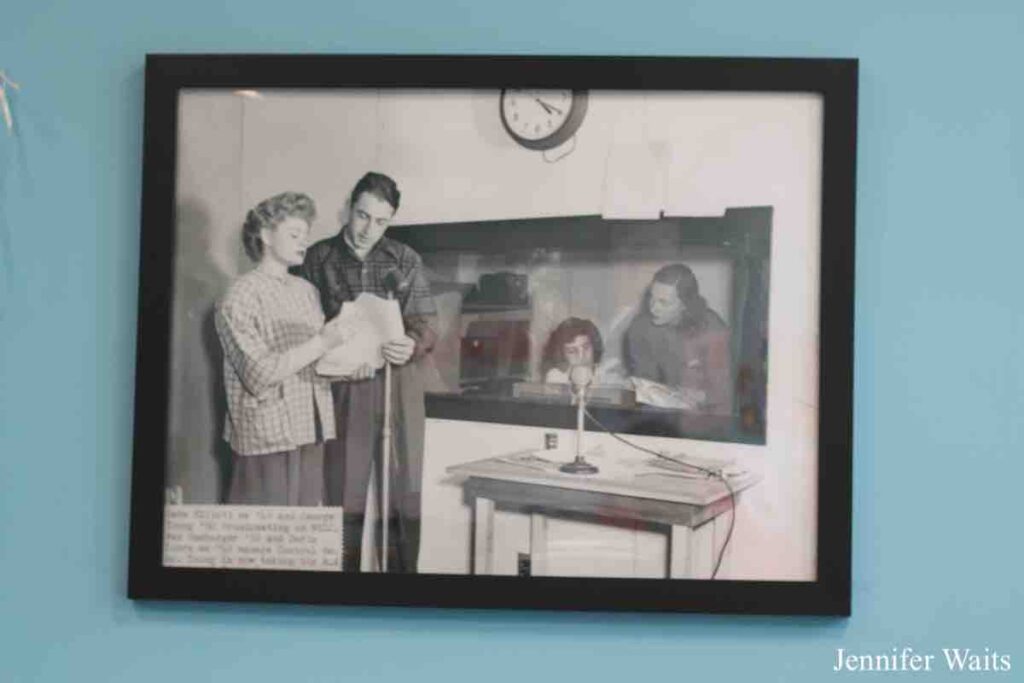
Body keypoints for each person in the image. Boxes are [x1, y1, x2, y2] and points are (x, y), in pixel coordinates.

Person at [300, 172, 436, 573]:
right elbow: (304, 330)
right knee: (345, 498)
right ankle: (344, 592)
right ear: (348, 209)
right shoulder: (316, 259)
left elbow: (427, 324)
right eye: (362, 216)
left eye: (380, 221)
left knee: (404, 497)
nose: (368, 230)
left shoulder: (405, 259)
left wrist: (413, 343)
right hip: (347, 387)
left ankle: (402, 591)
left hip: (400, 384)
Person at [214, 191, 352, 506]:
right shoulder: (240, 295)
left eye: (305, 235)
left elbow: (319, 362)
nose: (303, 242)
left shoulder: (307, 291)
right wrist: (322, 342)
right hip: (266, 437)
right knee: (262, 540)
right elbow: (259, 374)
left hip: (310, 427)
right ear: (265, 235)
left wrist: (358, 355)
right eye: (294, 234)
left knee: (304, 540)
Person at [623, 263, 733, 414]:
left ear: (685, 305)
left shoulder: (713, 329)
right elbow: (645, 384)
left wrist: (700, 396)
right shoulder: (640, 328)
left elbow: (725, 392)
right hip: (660, 413)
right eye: (652, 298)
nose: (653, 308)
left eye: (664, 302)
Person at [540, 317, 604, 384]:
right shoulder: (556, 378)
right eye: (572, 351)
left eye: (586, 347)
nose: (581, 356)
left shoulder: (605, 376)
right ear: (562, 355)